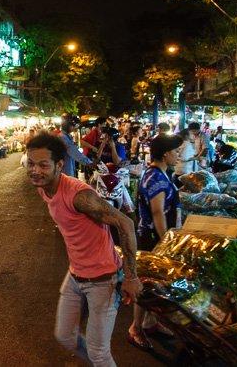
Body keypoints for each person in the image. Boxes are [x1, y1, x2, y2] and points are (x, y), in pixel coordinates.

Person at [26, 132, 142, 366]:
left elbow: (125, 223)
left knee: (99, 352)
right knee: (65, 337)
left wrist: (131, 277)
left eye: (42, 165)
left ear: (59, 165)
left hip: (103, 279)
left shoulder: (79, 196)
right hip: (76, 274)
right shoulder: (44, 187)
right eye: (30, 163)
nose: (35, 170)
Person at [129, 134, 183, 350]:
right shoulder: (156, 178)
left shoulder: (157, 173)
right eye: (176, 152)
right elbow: (158, 212)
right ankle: (135, 328)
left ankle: (150, 323)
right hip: (153, 237)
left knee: (155, 283)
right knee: (145, 285)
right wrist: (167, 241)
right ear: (165, 154)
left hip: (154, 236)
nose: (178, 155)